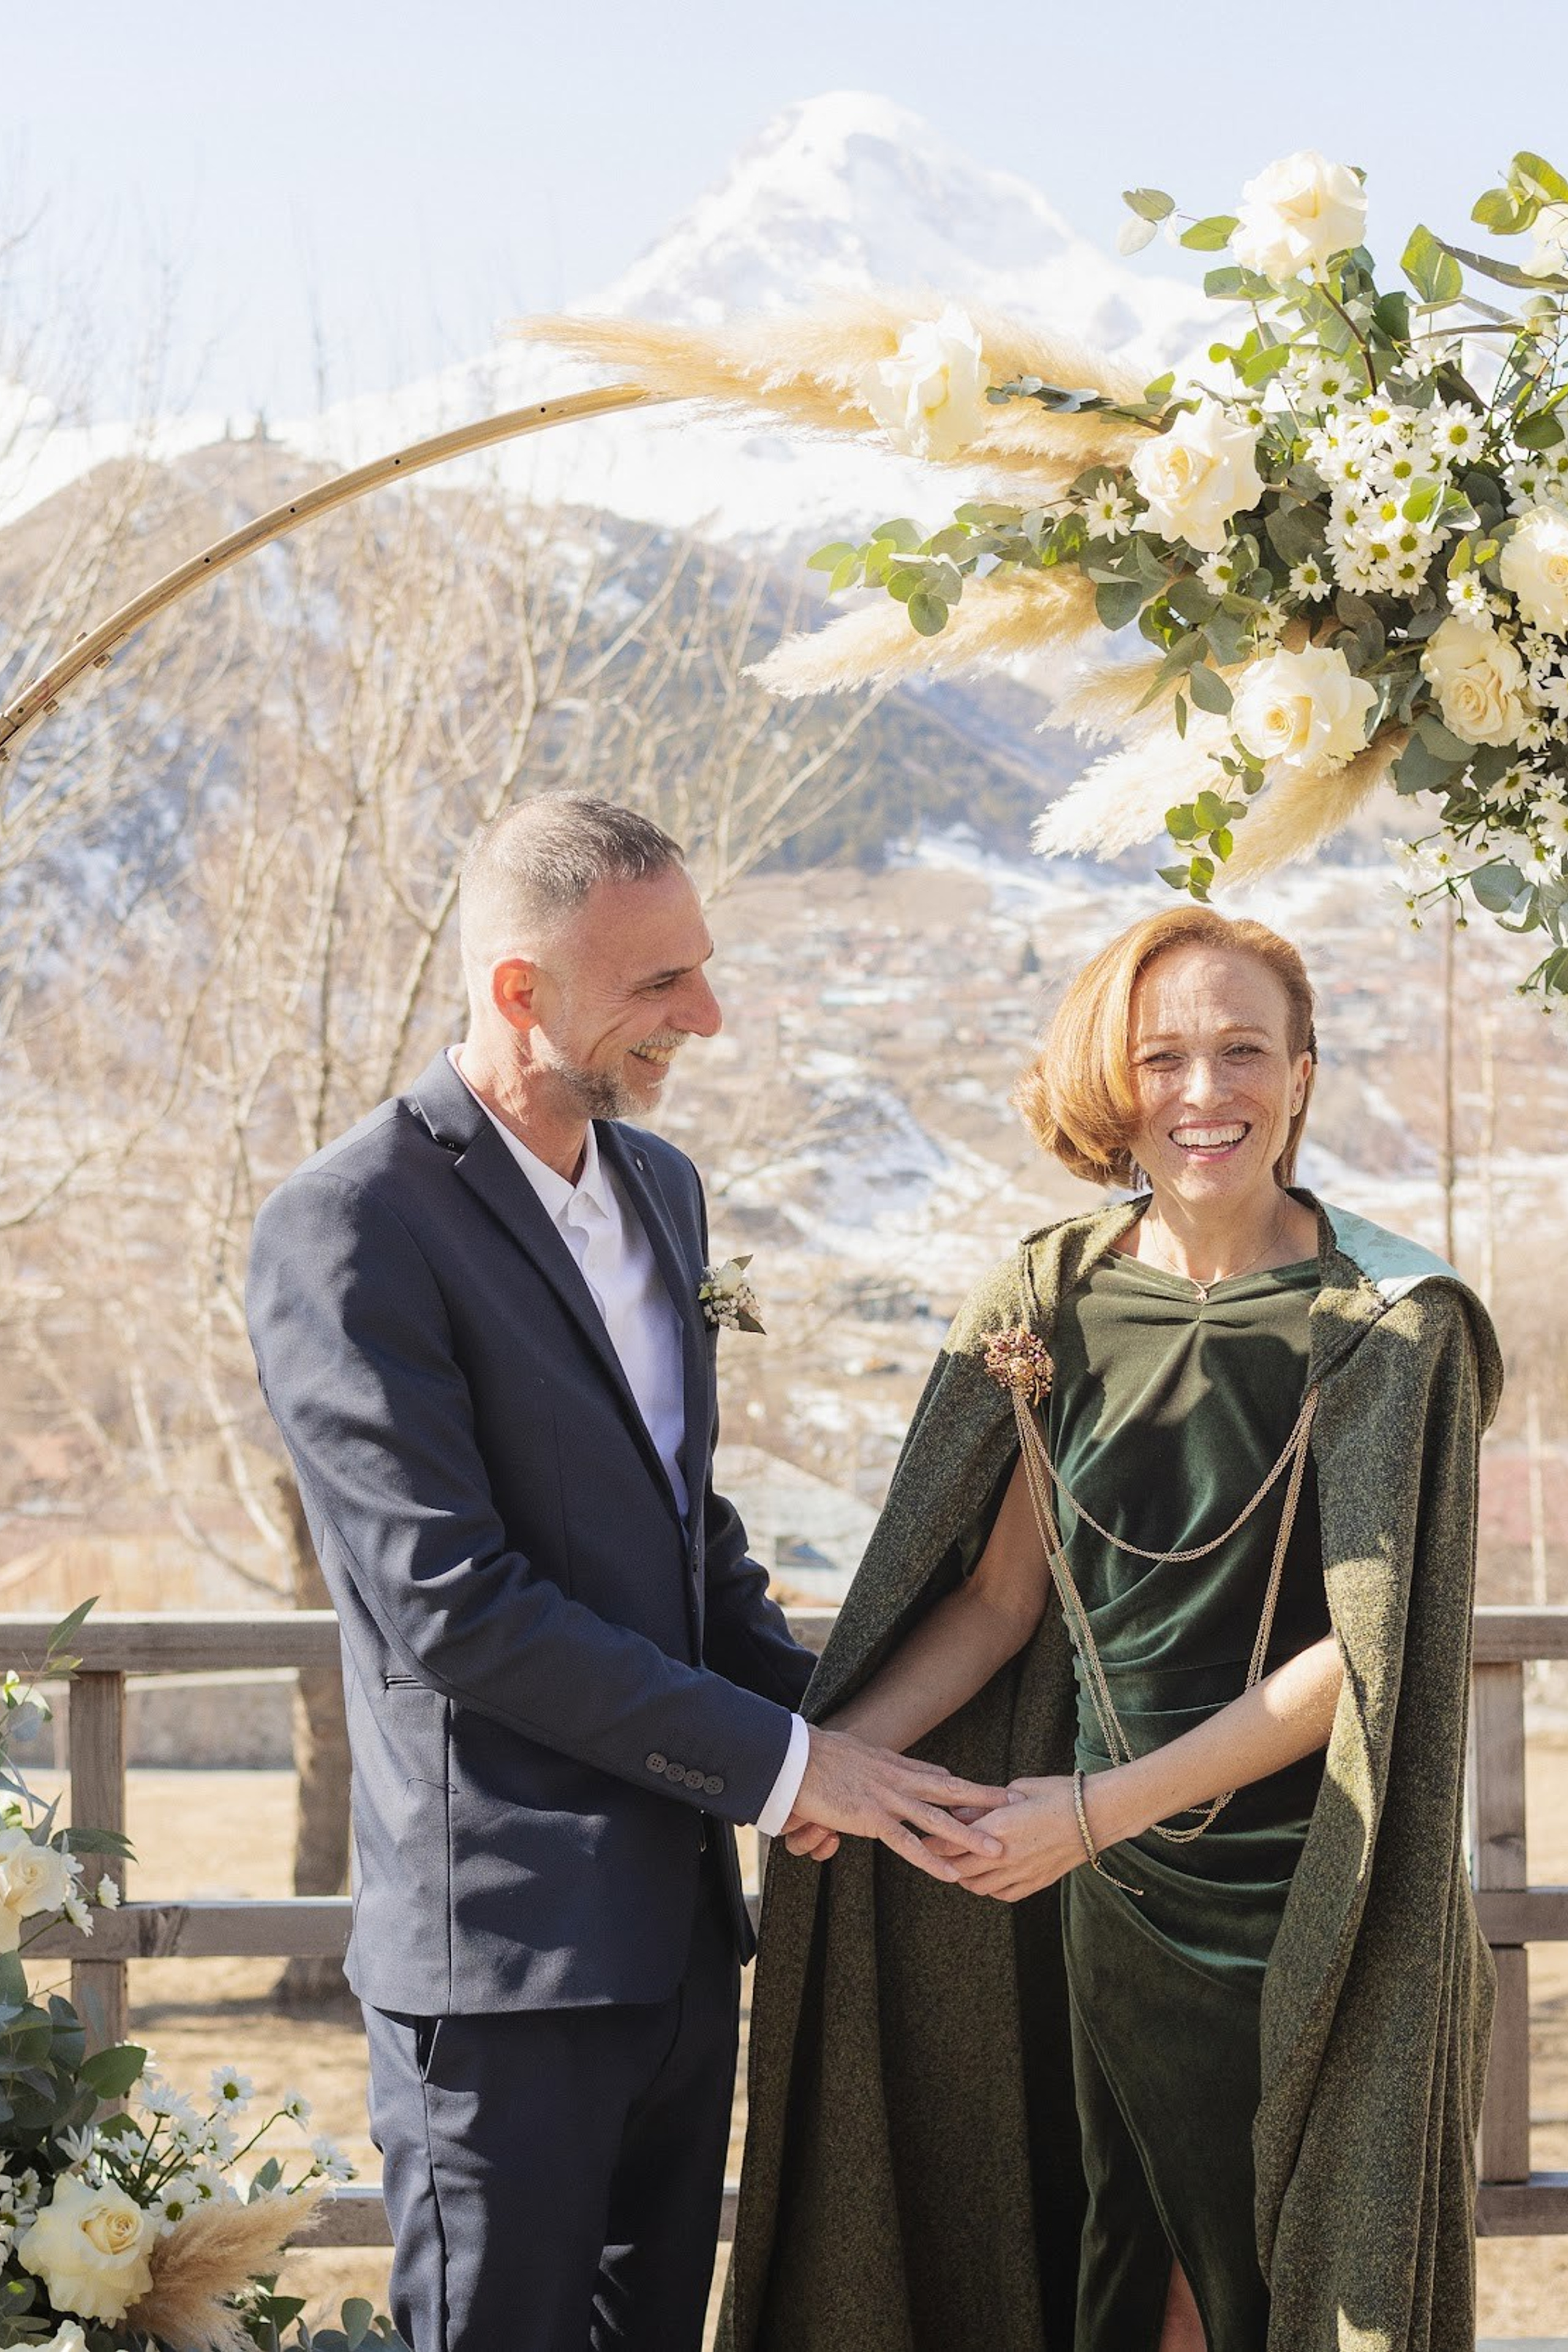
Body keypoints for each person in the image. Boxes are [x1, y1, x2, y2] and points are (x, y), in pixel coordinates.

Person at [244, 794, 1005, 2352]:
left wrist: (861, 1733)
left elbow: (684, 1539)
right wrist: (787, 1770)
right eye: (659, 982)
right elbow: (451, 1605)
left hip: (681, 1945)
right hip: (500, 1970)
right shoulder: (349, 1224)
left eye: (699, 969)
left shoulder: (664, 1191)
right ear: (518, 988)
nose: (704, 1016)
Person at [722, 904, 1499, 2352]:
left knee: (1277, 2291)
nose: (1203, 1092)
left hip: (1312, 1891)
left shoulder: (1390, 1323)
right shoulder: (1053, 1299)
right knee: (1119, 2280)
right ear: (1110, 1081)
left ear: (1302, 1074)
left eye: (1241, 1051)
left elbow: (1367, 1658)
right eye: (1161, 1058)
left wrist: (1090, 1814)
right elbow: (994, 1602)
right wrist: (836, 1770)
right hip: (1098, 1894)